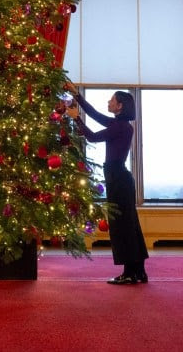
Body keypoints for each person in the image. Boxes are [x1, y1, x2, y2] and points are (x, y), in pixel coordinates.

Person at [64, 83, 149, 285]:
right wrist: (77, 95)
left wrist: (76, 118)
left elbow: (92, 136)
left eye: (112, 100)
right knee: (130, 225)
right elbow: (94, 115)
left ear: (120, 106)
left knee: (122, 226)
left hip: (117, 178)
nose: (108, 102)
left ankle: (130, 272)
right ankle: (138, 271)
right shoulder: (119, 124)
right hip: (119, 177)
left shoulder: (119, 126)